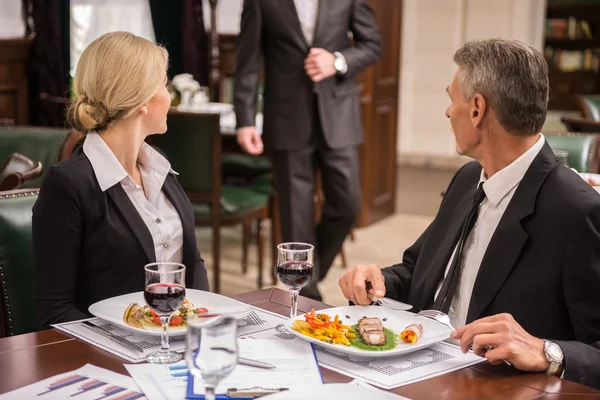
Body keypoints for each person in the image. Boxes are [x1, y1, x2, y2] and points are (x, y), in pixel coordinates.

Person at [338, 38, 600, 389]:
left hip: (491, 388)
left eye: (451, 99)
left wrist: (547, 352)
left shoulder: (577, 212)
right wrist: (376, 281)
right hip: (414, 372)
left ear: (477, 109)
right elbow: (420, 272)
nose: (448, 112)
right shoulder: (467, 179)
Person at [33, 31, 209, 327]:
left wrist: (204, 327)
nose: (168, 97)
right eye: (164, 85)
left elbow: (193, 262)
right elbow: (55, 312)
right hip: (112, 360)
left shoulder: (161, 168)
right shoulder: (67, 186)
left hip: (178, 348)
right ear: (142, 101)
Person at [234, 0, 383, 301]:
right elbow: (247, 62)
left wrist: (338, 61)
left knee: (348, 202)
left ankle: (305, 276)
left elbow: (372, 45)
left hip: (338, 117)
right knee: (295, 219)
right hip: (287, 118)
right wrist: (245, 121)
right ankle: (306, 299)